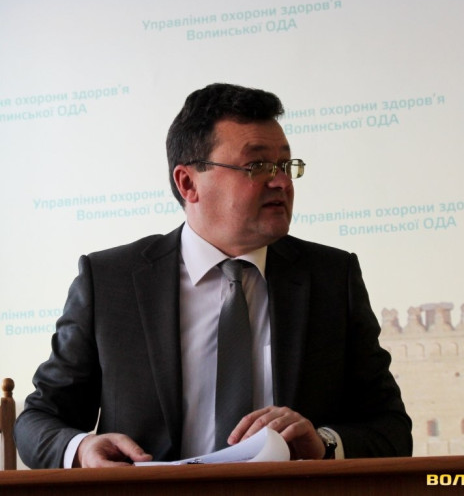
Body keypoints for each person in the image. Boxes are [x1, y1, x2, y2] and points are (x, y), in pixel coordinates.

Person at [14, 83, 412, 468]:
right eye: (258, 166)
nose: (281, 182)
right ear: (188, 183)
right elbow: (38, 420)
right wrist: (81, 449)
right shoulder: (110, 282)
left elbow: (391, 429)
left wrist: (323, 443)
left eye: (285, 165)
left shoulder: (331, 278)